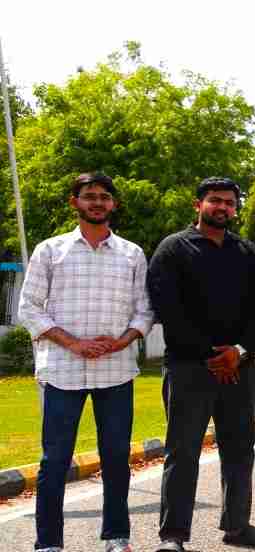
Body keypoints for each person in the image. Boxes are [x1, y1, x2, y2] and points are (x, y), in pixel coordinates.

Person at [19, 172, 152, 552]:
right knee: (55, 461)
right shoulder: (50, 250)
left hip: (116, 370)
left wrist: (122, 341)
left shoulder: (132, 254)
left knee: (116, 458)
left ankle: (116, 537)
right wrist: (74, 344)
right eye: (89, 196)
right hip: (63, 371)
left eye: (104, 196)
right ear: (74, 202)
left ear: (113, 204)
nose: (97, 202)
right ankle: (48, 543)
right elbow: (29, 308)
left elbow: (144, 310)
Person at [149, 178, 255, 550]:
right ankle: (173, 535)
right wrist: (211, 354)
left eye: (229, 202)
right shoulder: (173, 248)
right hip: (188, 367)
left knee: (240, 449)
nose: (223, 207)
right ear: (197, 204)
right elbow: (168, 308)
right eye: (215, 200)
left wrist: (240, 351)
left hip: (239, 368)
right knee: (183, 451)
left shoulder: (247, 251)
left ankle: (237, 526)